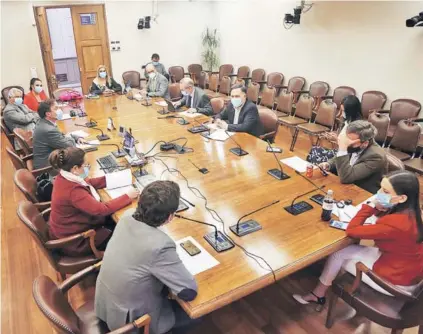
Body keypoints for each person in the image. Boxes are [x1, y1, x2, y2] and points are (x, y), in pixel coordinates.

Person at [293, 170, 423, 307]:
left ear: (402, 198)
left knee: (337, 254)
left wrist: (370, 207)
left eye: (385, 191)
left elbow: (352, 230)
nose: (378, 193)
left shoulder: (396, 224)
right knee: (346, 251)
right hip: (406, 268)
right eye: (380, 187)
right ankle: (322, 285)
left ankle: (318, 294)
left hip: (395, 279)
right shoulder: (413, 211)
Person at [95, 181, 199, 334]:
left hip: (106, 304)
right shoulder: (160, 245)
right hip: (131, 322)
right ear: (170, 217)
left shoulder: (126, 216)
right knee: (197, 316)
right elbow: (188, 291)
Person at [48, 147, 139, 256]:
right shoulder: (73, 191)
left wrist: (118, 178)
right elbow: (101, 210)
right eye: (85, 165)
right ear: (75, 168)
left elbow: (88, 182)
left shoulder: (64, 176)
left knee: (120, 221)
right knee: (129, 232)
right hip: (77, 242)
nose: (87, 168)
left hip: (69, 230)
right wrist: (128, 196)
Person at [319, 120, 386, 194]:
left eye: (350, 142)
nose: (347, 143)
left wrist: (343, 148)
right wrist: (329, 164)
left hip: (361, 192)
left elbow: (346, 177)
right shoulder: (355, 146)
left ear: (365, 143)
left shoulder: (376, 156)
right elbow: (340, 159)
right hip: (345, 184)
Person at [307, 95, 363, 164]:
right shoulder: (348, 121)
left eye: (344, 111)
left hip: (346, 158)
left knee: (315, 157)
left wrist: (336, 139)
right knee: (314, 149)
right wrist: (334, 136)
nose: (342, 114)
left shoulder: (357, 127)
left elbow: (350, 149)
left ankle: (319, 172)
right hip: (339, 152)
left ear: (351, 111)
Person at [32, 99, 86, 170]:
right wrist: (71, 139)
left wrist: (76, 138)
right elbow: (70, 146)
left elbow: (62, 135)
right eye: (56, 108)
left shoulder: (44, 122)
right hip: (48, 166)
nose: (59, 110)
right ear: (48, 114)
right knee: (82, 159)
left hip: (50, 158)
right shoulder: (48, 130)